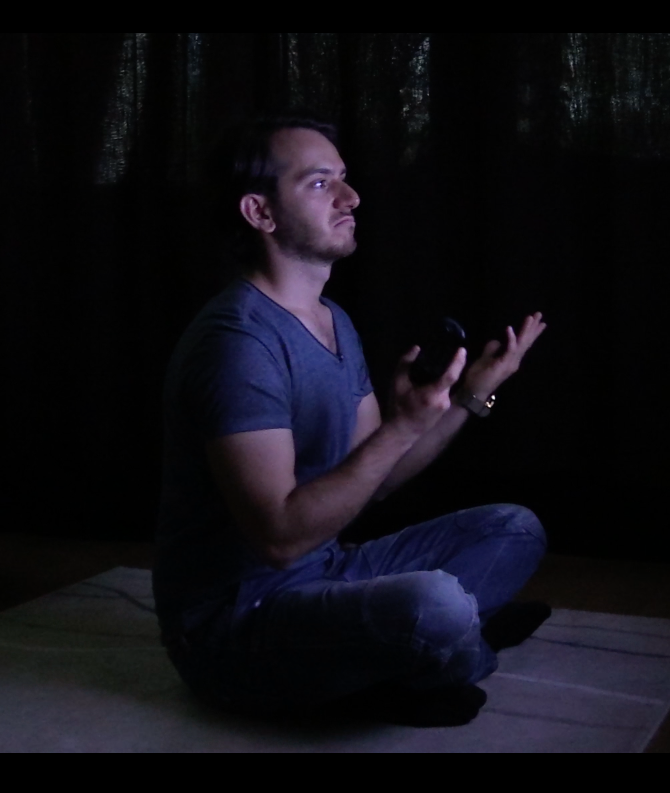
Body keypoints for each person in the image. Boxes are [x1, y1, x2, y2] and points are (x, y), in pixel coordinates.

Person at [153, 113, 550, 726]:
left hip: (327, 574)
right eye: (319, 184)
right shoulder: (237, 344)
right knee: (435, 605)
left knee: (516, 529)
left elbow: (375, 481)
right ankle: (454, 647)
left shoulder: (333, 320)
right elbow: (279, 537)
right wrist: (401, 426)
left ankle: (420, 654)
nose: (351, 196)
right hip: (235, 625)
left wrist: (473, 395)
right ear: (260, 213)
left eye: (344, 178)